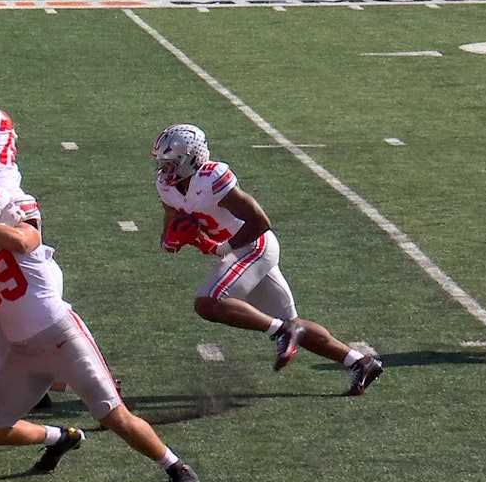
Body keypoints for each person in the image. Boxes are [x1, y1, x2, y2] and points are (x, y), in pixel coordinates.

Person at [0, 177, 202, 482]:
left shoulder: (20, 227)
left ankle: (174, 464)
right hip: (21, 353)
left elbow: (22, 242)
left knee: (113, 416)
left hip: (62, 337)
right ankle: (61, 437)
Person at [152, 124, 385, 394]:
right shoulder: (166, 186)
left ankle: (281, 332)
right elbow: (172, 224)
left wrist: (220, 248)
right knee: (294, 323)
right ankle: (361, 363)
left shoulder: (211, 177)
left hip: (253, 246)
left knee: (208, 303)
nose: (165, 170)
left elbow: (260, 221)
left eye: (171, 163)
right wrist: (170, 241)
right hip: (235, 251)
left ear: (192, 158)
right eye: (162, 163)